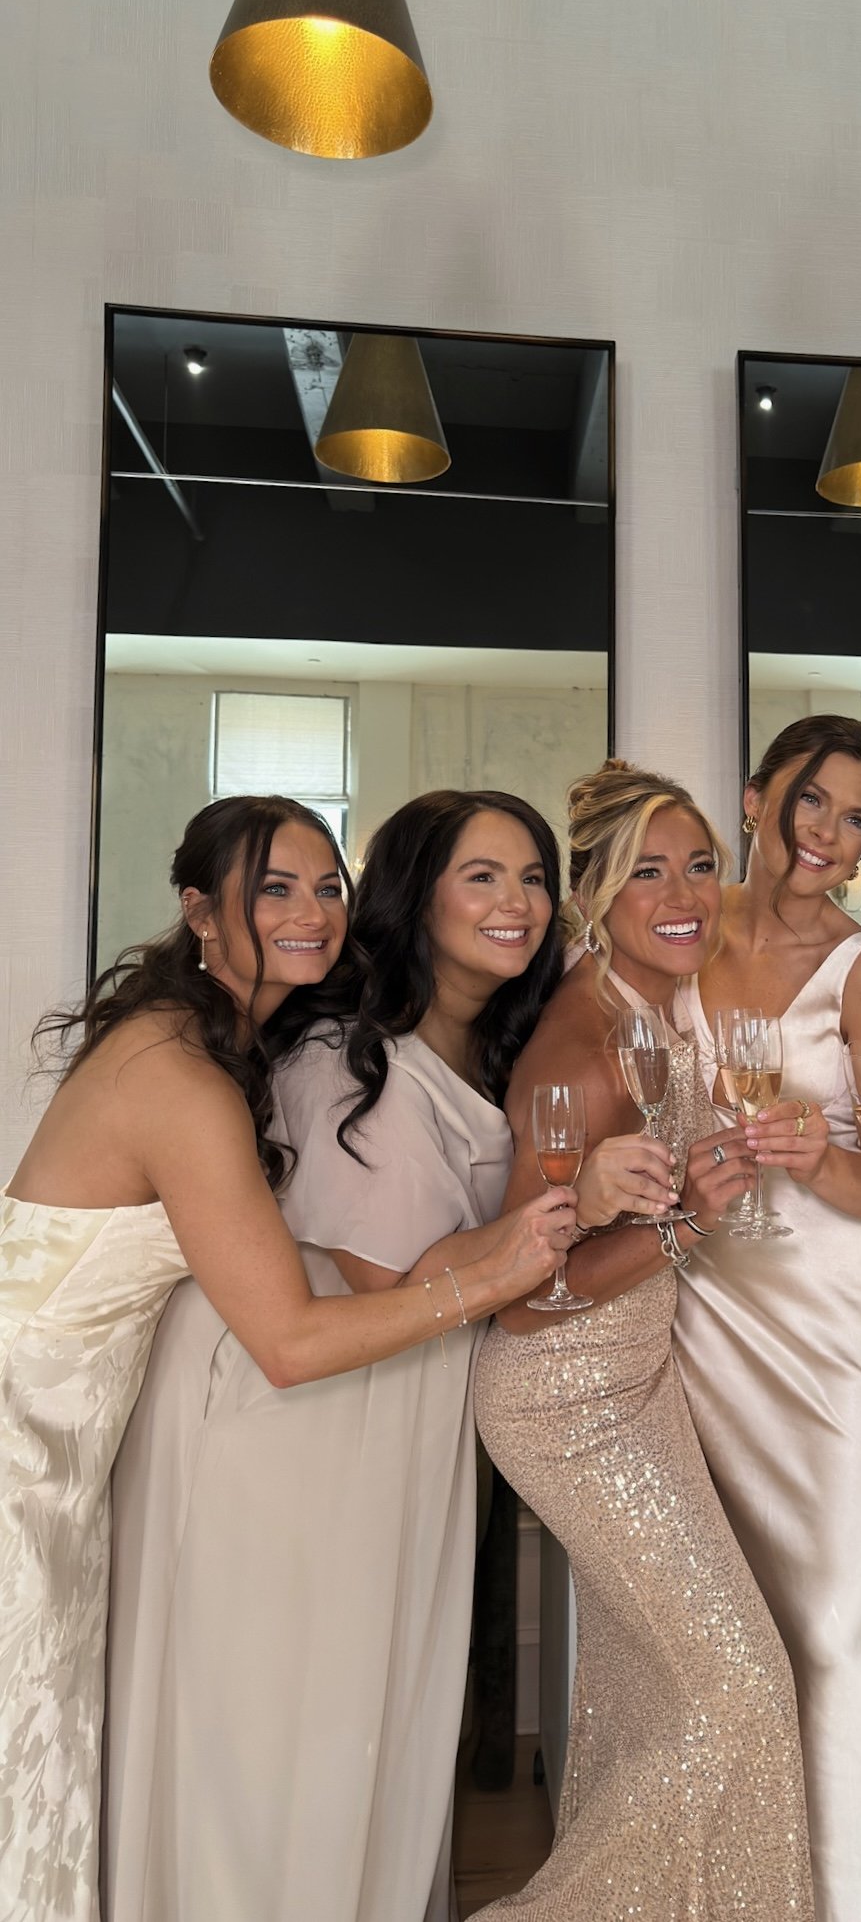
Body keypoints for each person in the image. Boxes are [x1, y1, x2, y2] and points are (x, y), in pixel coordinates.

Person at [1, 796, 577, 1922]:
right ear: (198, 911)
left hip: (72, 1437)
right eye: (274, 887)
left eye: (327, 887)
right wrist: (497, 1274)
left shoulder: (229, 1043)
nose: (310, 912)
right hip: (20, 1439)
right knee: (31, 1755)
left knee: (57, 1746)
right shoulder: (177, 1067)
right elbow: (291, 1338)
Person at [471, 759, 815, 1919]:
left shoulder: (653, 1010)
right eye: (645, 872)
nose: (684, 893)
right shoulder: (580, 1048)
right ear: (594, 896)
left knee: (646, 1704)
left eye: (701, 863)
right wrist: (688, 1222)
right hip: (565, 1399)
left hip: (636, 1379)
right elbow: (523, 1294)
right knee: (745, 1691)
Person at [673, 716, 861, 1922]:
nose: (830, 836)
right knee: (728, 1637)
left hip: (840, 1317)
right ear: (757, 794)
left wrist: (817, 1158)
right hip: (702, 1303)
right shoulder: (674, 925)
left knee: (832, 1626)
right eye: (813, 803)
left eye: (860, 819)